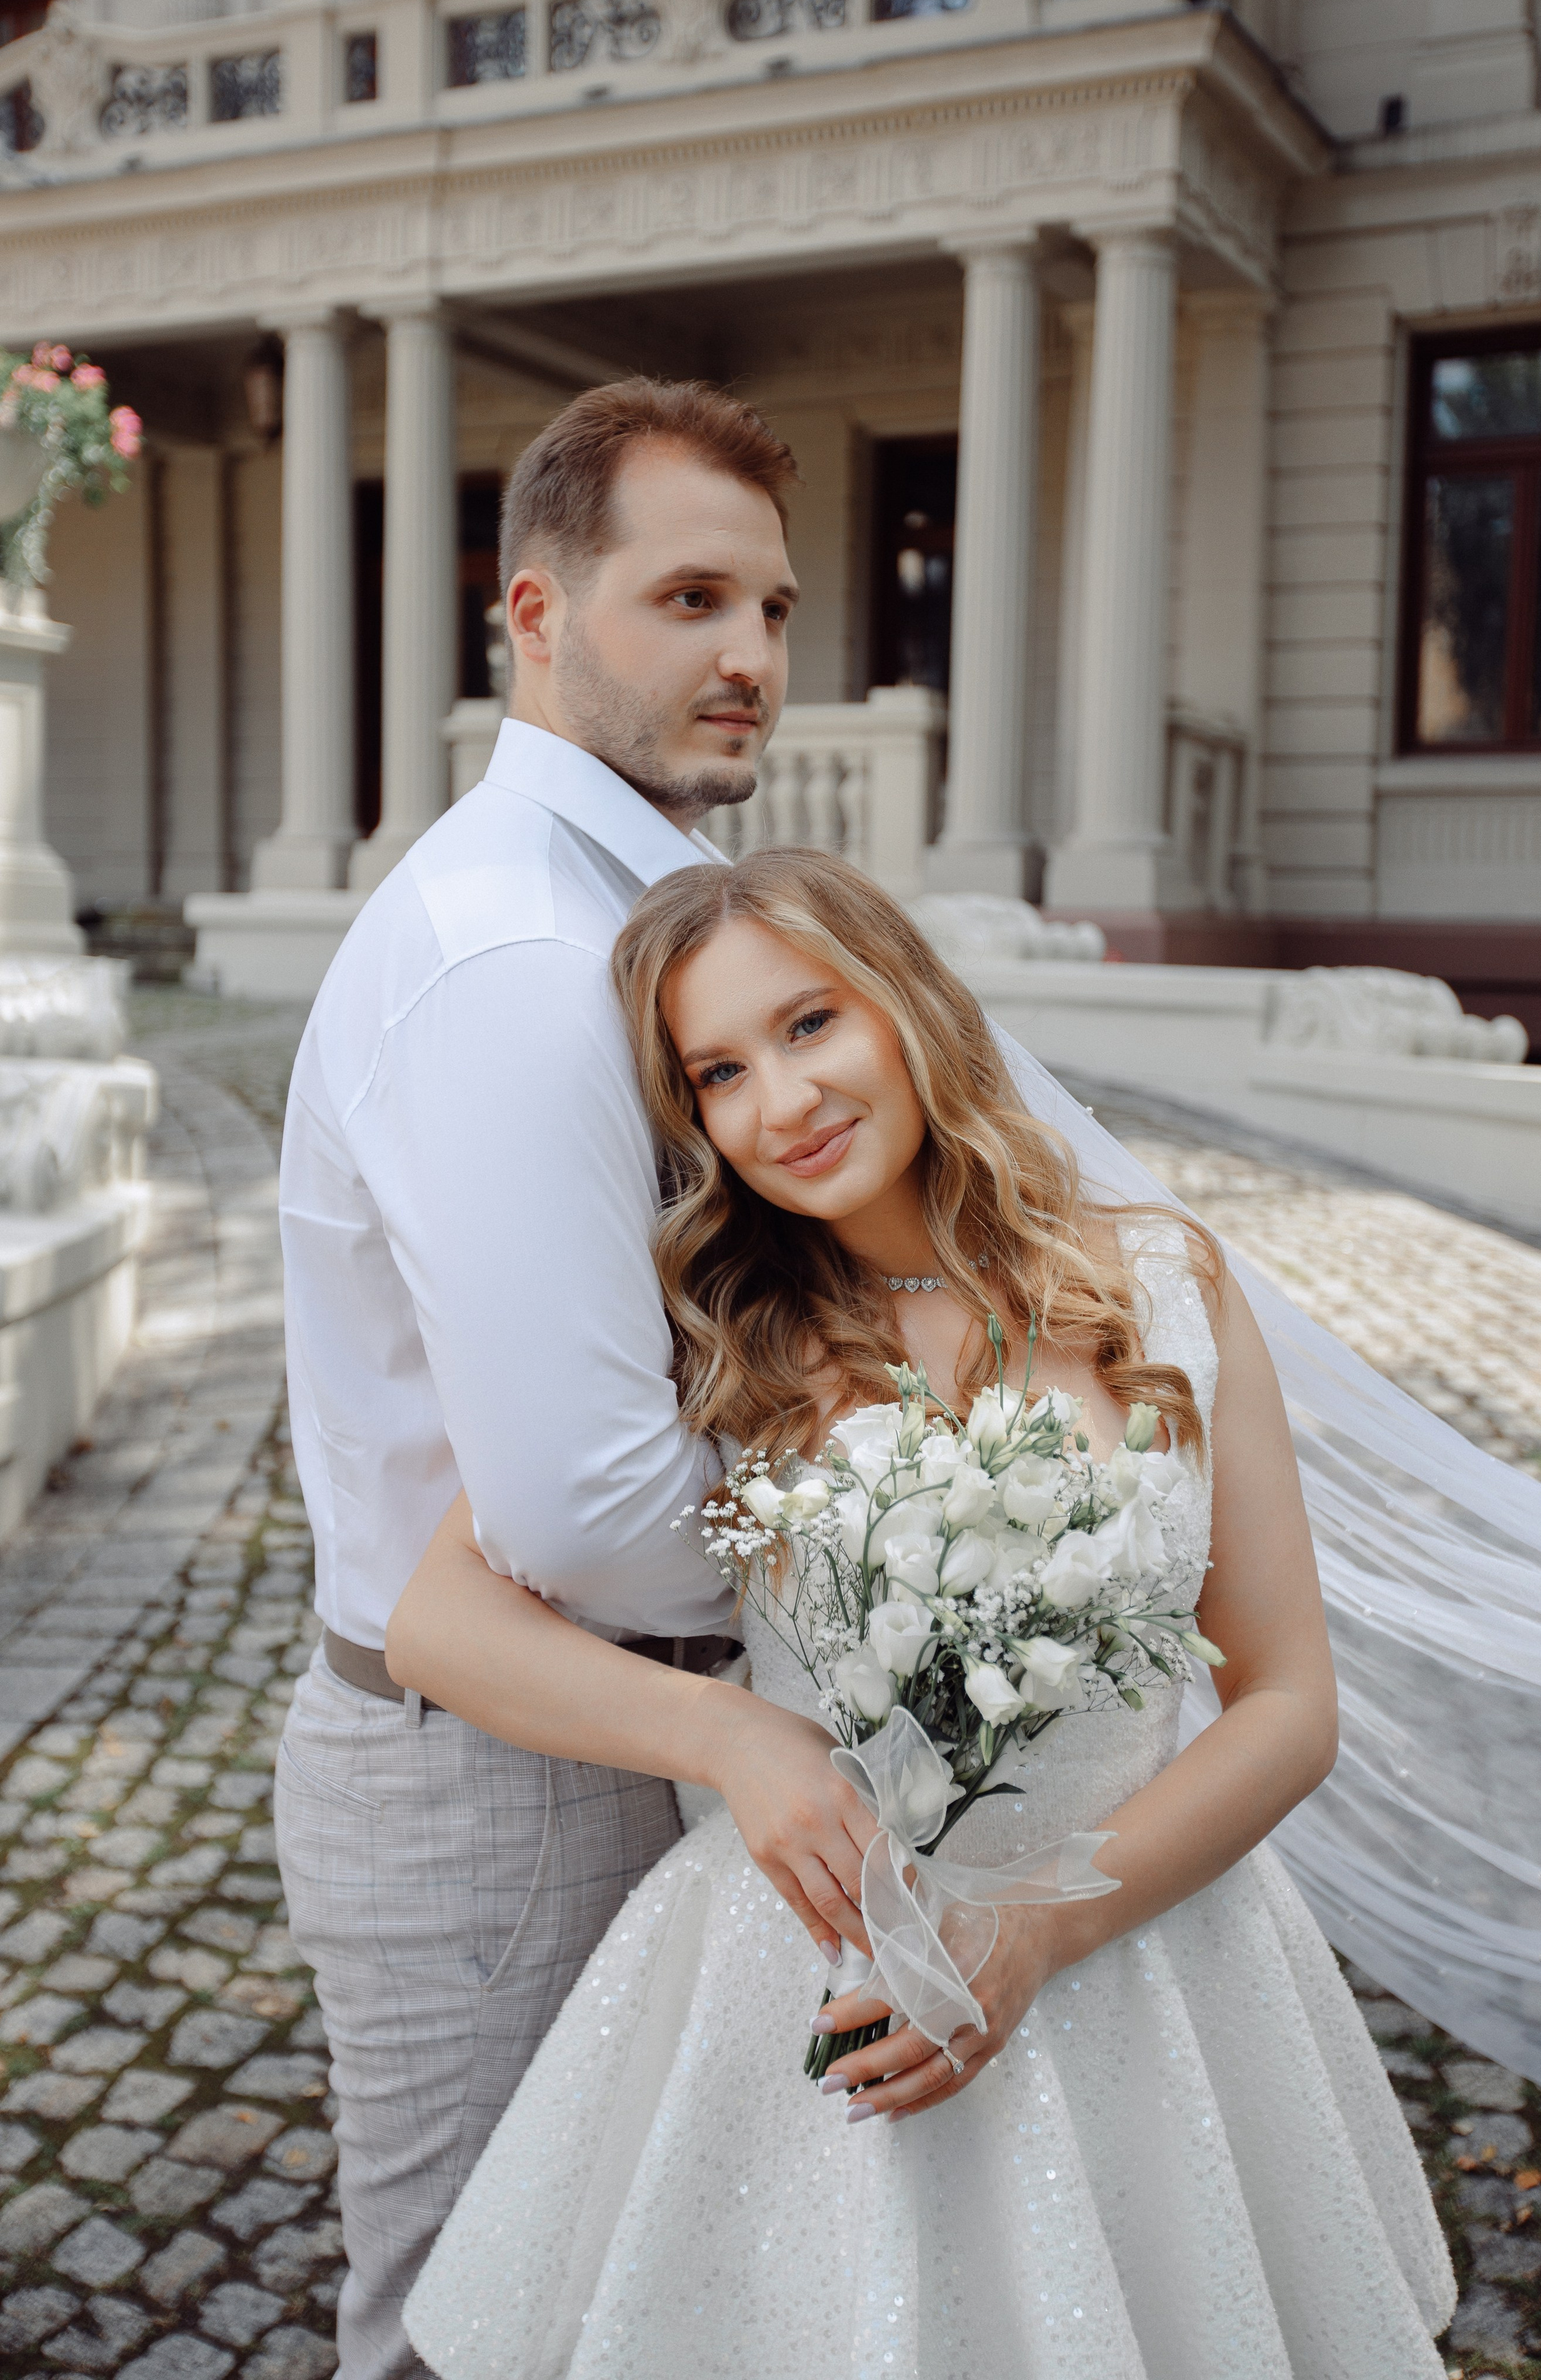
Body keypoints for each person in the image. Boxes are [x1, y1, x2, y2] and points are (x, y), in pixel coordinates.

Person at [394, 849, 1456, 2380]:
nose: (781, 1099)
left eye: (810, 1022)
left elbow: (1289, 1703)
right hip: (821, 1984)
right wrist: (732, 1737)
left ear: (905, 1004)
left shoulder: (1158, 1287)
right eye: (717, 1073)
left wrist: (1046, 1926)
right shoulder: (709, 1349)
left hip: (1148, 1957)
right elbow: (437, 1620)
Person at [274, 381, 895, 2380]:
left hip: (613, 1731)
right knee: (475, 2328)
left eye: (778, 609)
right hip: (502, 1773)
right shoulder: (517, 957)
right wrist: (924, 1588)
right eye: (689, 595)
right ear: (534, 615)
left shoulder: (633, 918)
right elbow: (585, 1509)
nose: (750, 658)